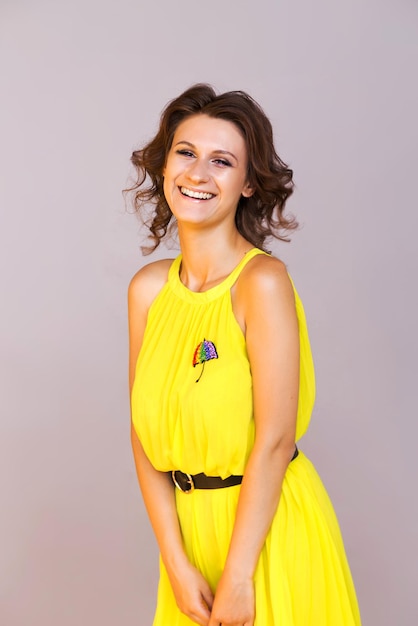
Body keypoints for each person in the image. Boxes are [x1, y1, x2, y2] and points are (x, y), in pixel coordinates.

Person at [127, 84, 361, 626]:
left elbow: (276, 440)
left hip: (264, 537)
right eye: (185, 152)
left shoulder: (263, 283)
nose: (198, 174)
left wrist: (238, 577)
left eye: (222, 161)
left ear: (249, 182)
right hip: (190, 542)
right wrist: (175, 560)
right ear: (165, 166)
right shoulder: (147, 291)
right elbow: (142, 437)